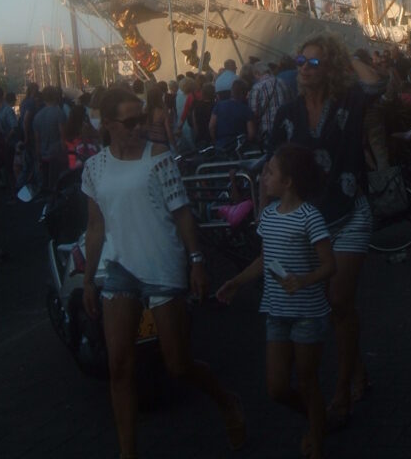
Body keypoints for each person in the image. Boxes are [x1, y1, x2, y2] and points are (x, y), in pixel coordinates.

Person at [81, 88, 245, 458]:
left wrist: (197, 261)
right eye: (130, 121)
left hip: (161, 265)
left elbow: (182, 213)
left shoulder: (159, 159)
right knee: (119, 365)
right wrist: (90, 278)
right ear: (108, 126)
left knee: (178, 365)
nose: (140, 127)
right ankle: (128, 452)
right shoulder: (95, 169)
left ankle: (225, 400)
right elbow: (95, 226)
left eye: (142, 118)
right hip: (119, 267)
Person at [267, 34, 371, 427]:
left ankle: (343, 389)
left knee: (339, 300)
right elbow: (273, 162)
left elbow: (377, 84)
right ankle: (358, 368)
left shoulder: (349, 102)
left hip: (348, 212)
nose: (304, 68)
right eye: (299, 61)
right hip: (309, 220)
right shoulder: (288, 112)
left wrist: (346, 57)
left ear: (330, 68)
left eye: (314, 63)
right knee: (333, 308)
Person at [217, 144, 336, 459]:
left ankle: (318, 438)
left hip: (308, 312)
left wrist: (304, 280)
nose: (263, 176)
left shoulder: (311, 218)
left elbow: (329, 265)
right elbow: (264, 258)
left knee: (308, 381)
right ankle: (318, 416)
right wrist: (237, 282)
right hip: (276, 312)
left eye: (269, 172)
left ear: (289, 181)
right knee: (277, 388)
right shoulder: (268, 216)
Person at [33, 85, 67, 191]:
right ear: (56, 97)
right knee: (59, 184)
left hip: (44, 154)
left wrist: (38, 157)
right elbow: (63, 135)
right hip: (57, 154)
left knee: (48, 184)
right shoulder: (59, 113)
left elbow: (37, 140)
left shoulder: (37, 116)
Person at [248, 62, 292, 143]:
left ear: (257, 73)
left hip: (268, 132)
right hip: (287, 129)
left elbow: (253, 114)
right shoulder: (283, 82)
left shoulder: (257, 88)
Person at [209, 80, 255, 150]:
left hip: (221, 145)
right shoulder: (246, 109)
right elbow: (251, 134)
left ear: (232, 91)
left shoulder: (219, 105)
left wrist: (215, 141)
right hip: (239, 146)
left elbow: (211, 126)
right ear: (244, 93)